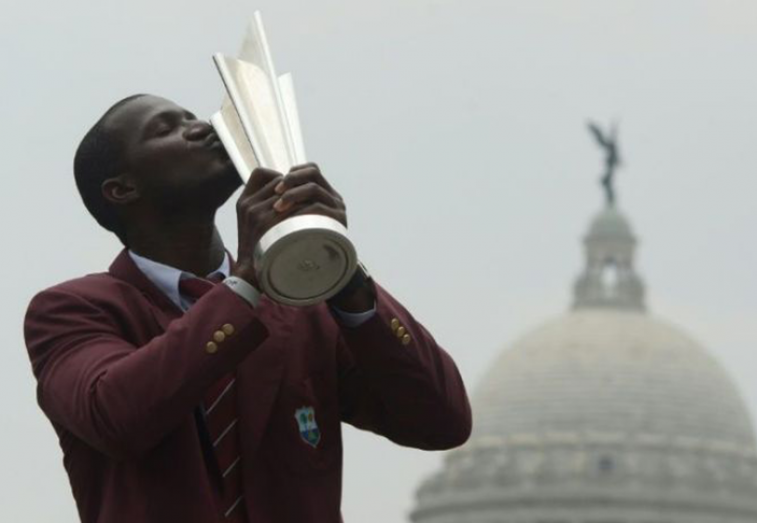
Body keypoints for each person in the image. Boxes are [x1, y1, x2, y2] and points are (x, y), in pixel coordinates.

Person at [23, 94, 472, 523]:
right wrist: (248, 282)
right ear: (122, 189)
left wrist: (343, 271)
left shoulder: (300, 306)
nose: (203, 127)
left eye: (193, 117)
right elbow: (117, 417)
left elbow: (441, 421)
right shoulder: (71, 311)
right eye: (167, 129)